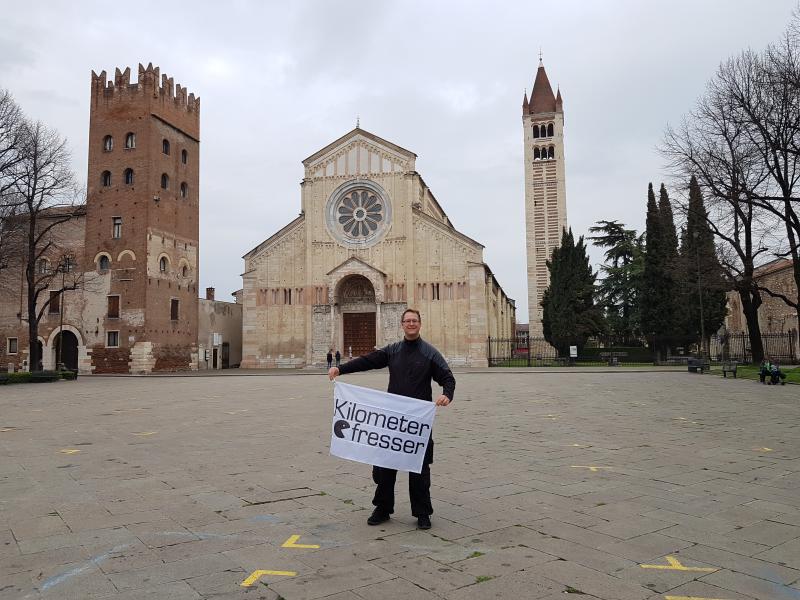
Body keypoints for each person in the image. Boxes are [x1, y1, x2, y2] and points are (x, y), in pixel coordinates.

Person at [328, 308, 455, 530]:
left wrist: (447, 394)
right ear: (402, 324)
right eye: (407, 321)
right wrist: (341, 368)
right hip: (392, 419)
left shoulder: (430, 353)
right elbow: (368, 361)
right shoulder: (393, 350)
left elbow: (447, 377)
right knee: (385, 465)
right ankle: (383, 508)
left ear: (420, 323)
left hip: (417, 421)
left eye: (415, 320)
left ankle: (423, 512)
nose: (411, 324)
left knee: (420, 467)